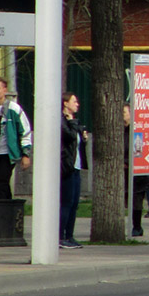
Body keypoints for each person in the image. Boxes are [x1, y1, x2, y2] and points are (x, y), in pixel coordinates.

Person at [0, 77, 33, 200]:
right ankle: (7, 209)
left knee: (1, 182)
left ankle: (2, 213)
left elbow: (24, 131)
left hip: (7, 154)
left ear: (5, 90)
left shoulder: (13, 108)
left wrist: (26, 154)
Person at [59, 93, 88, 249]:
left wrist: (83, 136)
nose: (77, 104)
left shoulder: (73, 122)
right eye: (74, 101)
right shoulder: (63, 121)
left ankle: (70, 235)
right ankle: (60, 236)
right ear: (65, 103)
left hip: (76, 166)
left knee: (75, 203)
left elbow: (77, 143)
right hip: (67, 167)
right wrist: (73, 123)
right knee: (66, 202)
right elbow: (69, 136)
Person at [123, 104, 147, 236]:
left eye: (124, 112)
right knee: (126, 199)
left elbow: (138, 151)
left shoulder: (136, 131)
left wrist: (127, 163)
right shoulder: (119, 131)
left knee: (136, 200)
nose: (122, 116)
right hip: (123, 172)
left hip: (136, 173)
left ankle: (137, 226)